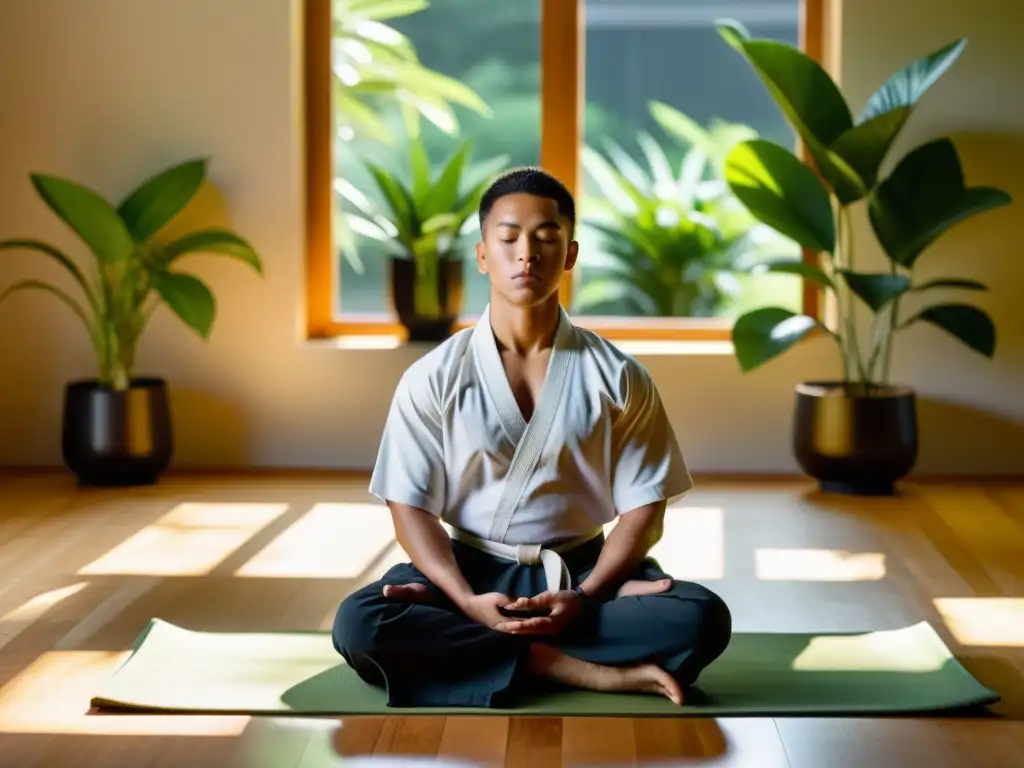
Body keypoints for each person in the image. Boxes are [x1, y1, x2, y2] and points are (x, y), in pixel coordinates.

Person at [332, 167, 732, 709]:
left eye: (545, 238)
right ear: (481, 255)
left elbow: (645, 508)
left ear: (568, 255)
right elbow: (409, 509)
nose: (527, 254)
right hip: (469, 567)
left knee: (700, 616)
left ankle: (489, 654)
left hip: (582, 571)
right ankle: (572, 668)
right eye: (508, 237)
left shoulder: (617, 375)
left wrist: (590, 596)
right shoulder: (433, 376)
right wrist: (464, 600)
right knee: (361, 623)